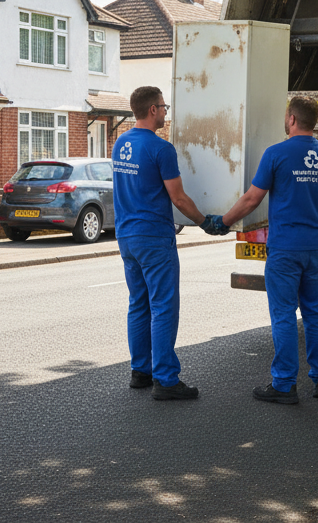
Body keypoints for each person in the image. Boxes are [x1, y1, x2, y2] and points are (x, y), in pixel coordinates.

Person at [208, 96, 318, 405]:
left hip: (285, 249)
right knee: (316, 313)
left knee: (282, 315)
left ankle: (284, 384)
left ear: (291, 119)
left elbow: (252, 199)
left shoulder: (276, 154)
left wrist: (223, 222)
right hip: (317, 247)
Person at [113, 86, 211, 401]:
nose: (166, 113)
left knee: (138, 304)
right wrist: (205, 222)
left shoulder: (121, 143)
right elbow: (178, 197)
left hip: (127, 236)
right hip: (154, 237)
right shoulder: (161, 149)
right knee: (163, 306)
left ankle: (141, 371)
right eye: (164, 107)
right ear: (153, 109)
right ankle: (166, 379)